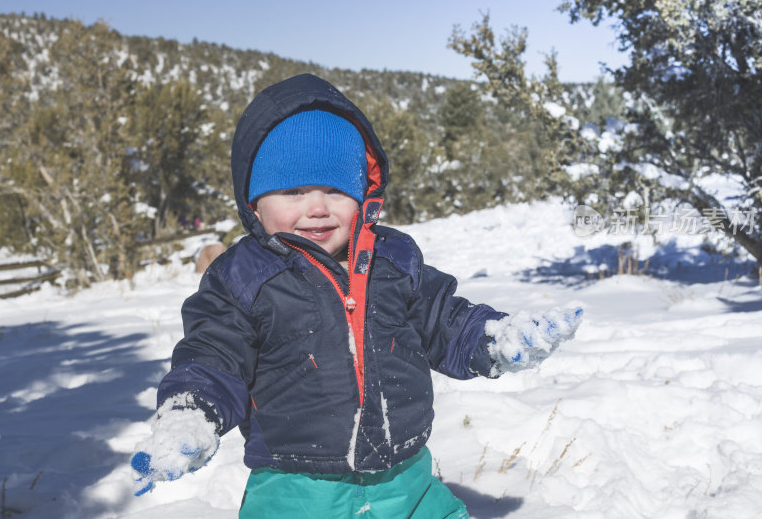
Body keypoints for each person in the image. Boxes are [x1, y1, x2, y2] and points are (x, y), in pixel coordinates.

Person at [130, 73, 582, 518]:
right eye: (293, 191)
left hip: (403, 477)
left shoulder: (394, 258)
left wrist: (494, 339)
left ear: (363, 194)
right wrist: (192, 411)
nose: (318, 207)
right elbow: (213, 352)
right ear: (254, 203)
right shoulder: (243, 276)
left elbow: (443, 319)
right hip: (296, 487)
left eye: (334, 190)